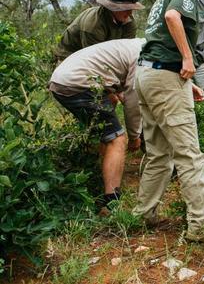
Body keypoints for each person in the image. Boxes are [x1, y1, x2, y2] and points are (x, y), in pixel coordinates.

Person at [132, 0, 204, 241]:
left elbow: (159, 35)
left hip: (146, 75)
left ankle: (143, 214)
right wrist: (187, 58)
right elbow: (172, 18)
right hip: (164, 76)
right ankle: (202, 226)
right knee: (189, 154)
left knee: (157, 154)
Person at [48, 38, 144, 211]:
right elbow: (132, 102)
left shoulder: (134, 45)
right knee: (117, 139)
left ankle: (98, 172)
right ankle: (111, 203)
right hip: (76, 84)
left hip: (63, 80)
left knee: (109, 117)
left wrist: (116, 92)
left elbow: (115, 82)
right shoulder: (143, 55)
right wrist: (135, 136)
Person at [53, 0, 145, 62]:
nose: (130, 13)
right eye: (126, 9)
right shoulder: (93, 25)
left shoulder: (129, 22)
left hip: (105, 56)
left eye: (131, 9)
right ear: (113, 8)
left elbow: (126, 52)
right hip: (69, 56)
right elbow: (92, 59)